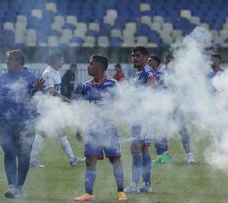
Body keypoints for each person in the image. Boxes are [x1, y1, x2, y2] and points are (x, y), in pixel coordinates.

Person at [0, 50, 45, 198]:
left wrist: (36, 90)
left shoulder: (31, 77)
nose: (7, 62)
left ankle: (20, 187)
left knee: (24, 156)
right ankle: (12, 186)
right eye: (7, 60)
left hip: (24, 123)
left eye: (10, 60)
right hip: (4, 123)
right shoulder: (3, 77)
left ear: (19, 62)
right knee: (9, 154)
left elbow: (39, 95)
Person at [73, 55, 127, 201]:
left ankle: (121, 191)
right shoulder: (86, 86)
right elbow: (82, 108)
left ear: (99, 67)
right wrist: (79, 127)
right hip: (92, 129)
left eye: (90, 64)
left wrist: (114, 115)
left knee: (115, 159)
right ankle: (88, 193)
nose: (88, 66)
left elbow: (120, 103)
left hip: (109, 128)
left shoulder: (113, 84)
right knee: (90, 160)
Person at [30, 53, 83, 168]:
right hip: (47, 107)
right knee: (50, 133)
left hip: (52, 107)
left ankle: (72, 158)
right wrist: (67, 101)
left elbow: (56, 92)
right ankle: (72, 159)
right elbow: (52, 92)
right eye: (61, 60)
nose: (63, 62)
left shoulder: (56, 73)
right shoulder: (48, 73)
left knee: (53, 132)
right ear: (56, 61)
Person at [149, 54, 196, 164]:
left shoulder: (164, 75)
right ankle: (163, 155)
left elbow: (175, 89)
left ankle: (189, 154)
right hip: (161, 107)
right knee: (160, 131)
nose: (148, 63)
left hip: (174, 106)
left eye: (150, 61)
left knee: (182, 130)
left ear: (156, 62)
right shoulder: (152, 75)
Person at [125, 46, 156, 193]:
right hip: (143, 116)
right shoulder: (137, 74)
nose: (134, 58)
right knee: (144, 150)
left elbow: (152, 86)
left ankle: (134, 184)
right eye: (133, 56)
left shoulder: (147, 71)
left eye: (137, 56)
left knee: (135, 148)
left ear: (145, 57)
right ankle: (147, 184)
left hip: (142, 116)